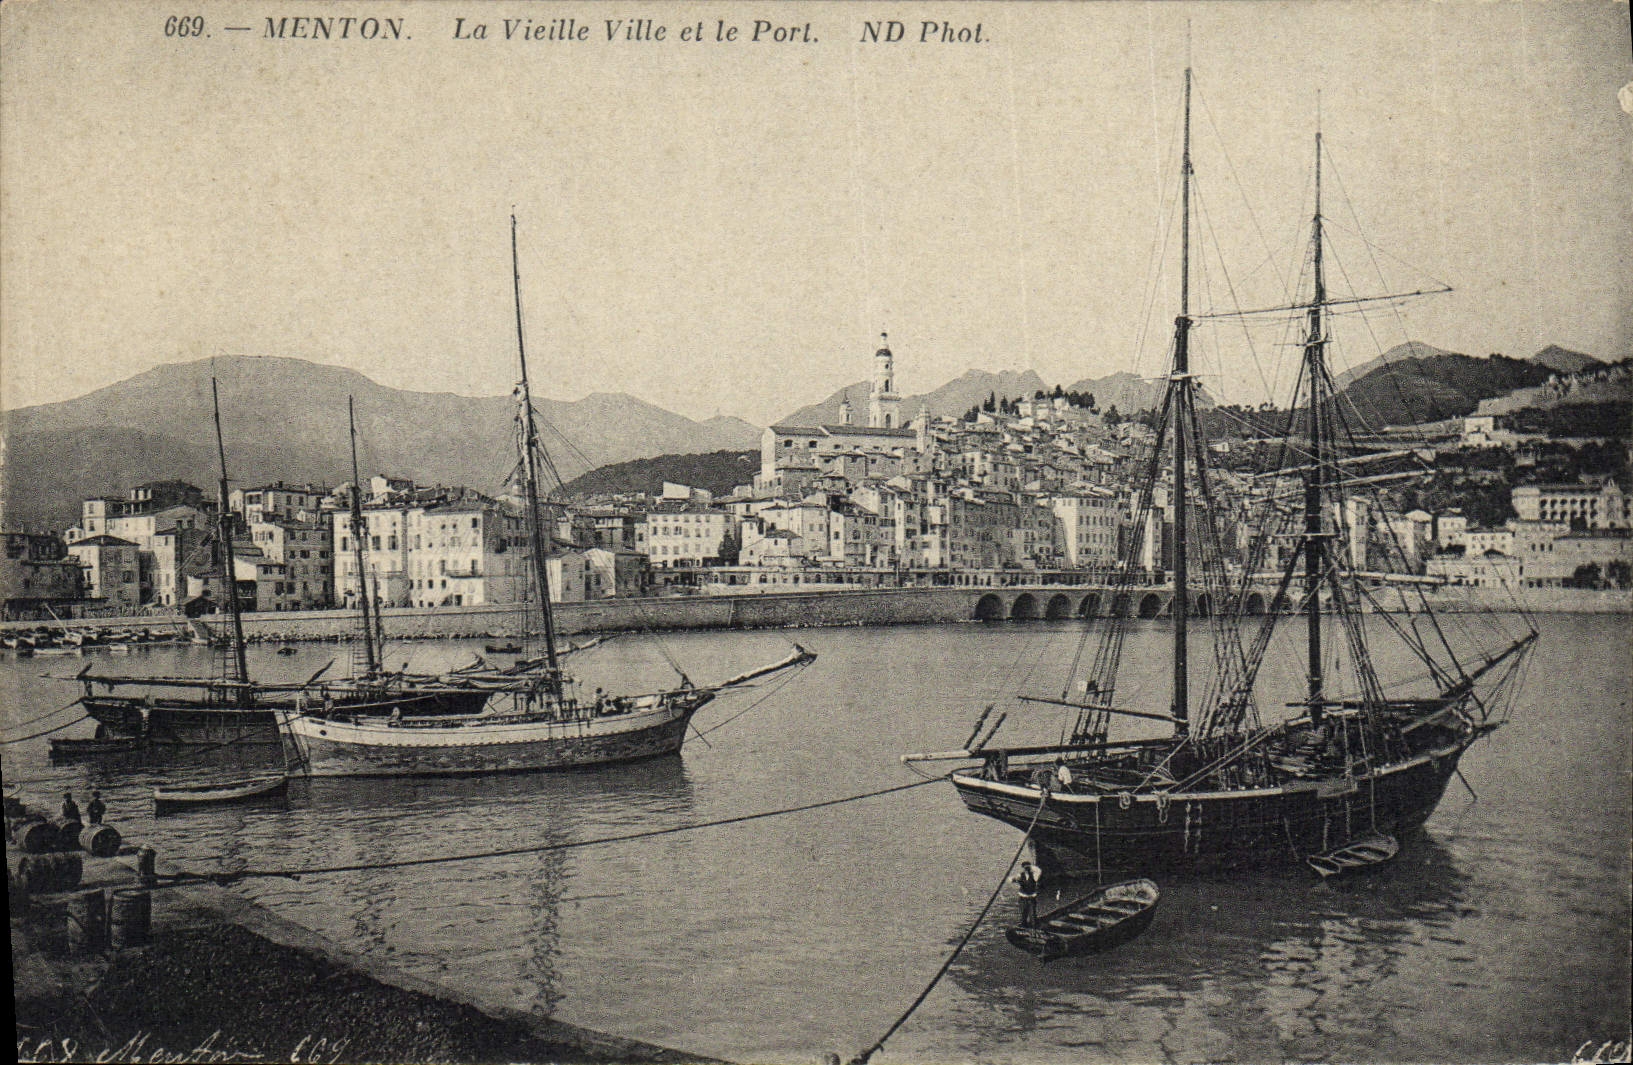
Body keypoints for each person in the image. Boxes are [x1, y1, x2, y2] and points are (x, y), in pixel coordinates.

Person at [1012, 861, 1041, 927]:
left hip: (1031, 898)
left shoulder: (1034, 875)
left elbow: (1038, 870)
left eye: (1028, 868)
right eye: (1025, 868)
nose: (1026, 869)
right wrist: (1014, 879)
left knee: (1032, 915)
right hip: (1023, 898)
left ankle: (1034, 929)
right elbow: (1012, 879)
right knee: (1023, 914)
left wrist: (1030, 866)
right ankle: (1023, 927)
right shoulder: (1020, 875)